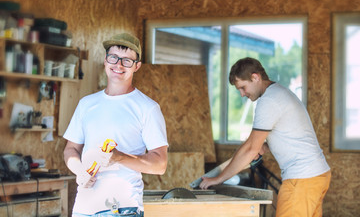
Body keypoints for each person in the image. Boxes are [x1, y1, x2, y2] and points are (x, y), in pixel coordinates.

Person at [200, 57, 331, 217]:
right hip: (316, 176)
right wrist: (266, 146)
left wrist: (217, 179)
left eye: (243, 87)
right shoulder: (279, 93)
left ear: (255, 77)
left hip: (302, 179)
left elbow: (250, 148)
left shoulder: (269, 101)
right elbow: (288, 135)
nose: (242, 94)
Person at [63, 32, 168, 217]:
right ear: (105, 60)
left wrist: (119, 157)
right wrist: (80, 172)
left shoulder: (148, 108)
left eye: (127, 60)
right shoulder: (86, 104)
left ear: (137, 66)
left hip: (122, 208)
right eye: (114, 57)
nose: (118, 65)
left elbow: (160, 164)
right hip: (84, 208)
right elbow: (70, 149)